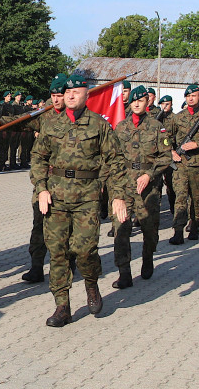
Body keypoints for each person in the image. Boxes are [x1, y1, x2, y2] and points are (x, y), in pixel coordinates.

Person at [30, 73, 131, 327]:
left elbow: (116, 160)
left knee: (85, 251)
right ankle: (62, 306)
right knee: (58, 252)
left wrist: (118, 195)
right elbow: (38, 158)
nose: (70, 96)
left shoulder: (99, 125)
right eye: (67, 92)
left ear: (87, 94)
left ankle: (91, 283)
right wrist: (41, 188)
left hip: (87, 197)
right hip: (56, 198)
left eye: (76, 92)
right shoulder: (51, 125)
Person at [111, 85, 171, 288]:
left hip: (148, 186)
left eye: (141, 100)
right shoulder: (121, 127)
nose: (136, 103)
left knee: (149, 228)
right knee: (121, 228)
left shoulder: (157, 127)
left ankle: (148, 258)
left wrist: (149, 174)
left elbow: (166, 157)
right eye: (134, 100)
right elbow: (115, 157)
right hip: (125, 183)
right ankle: (124, 272)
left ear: (147, 102)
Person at [21, 74, 67, 283]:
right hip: (44, 178)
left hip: (67, 181)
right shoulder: (45, 114)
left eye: (60, 95)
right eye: (53, 95)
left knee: (66, 225)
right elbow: (23, 120)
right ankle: (37, 266)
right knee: (38, 223)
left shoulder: (76, 116)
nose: (56, 100)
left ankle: (69, 263)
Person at [167, 83, 199, 245]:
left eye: (194, 95)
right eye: (188, 96)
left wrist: (197, 144)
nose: (191, 98)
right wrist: (171, 151)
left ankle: (195, 225)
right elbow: (166, 137)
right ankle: (178, 231)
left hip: (198, 164)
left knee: (196, 198)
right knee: (180, 197)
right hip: (181, 164)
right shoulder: (178, 117)